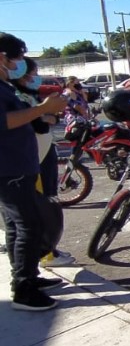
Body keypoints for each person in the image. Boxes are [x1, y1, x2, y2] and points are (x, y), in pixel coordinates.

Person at [0, 32, 68, 311]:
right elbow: (5, 121)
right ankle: (25, 289)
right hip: (9, 168)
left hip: (17, 165)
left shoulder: (4, 85)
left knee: (18, 225)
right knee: (29, 225)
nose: (19, 63)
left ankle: (25, 278)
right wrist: (43, 108)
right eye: (16, 57)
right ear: (2, 57)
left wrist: (43, 114)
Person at [13, 58, 74, 267]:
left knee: (43, 206)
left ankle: (44, 253)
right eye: (32, 73)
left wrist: (49, 116)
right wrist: (46, 114)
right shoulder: (14, 95)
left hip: (39, 154)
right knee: (39, 211)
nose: (35, 77)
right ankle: (45, 255)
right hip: (31, 159)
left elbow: (44, 120)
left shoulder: (26, 95)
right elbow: (38, 124)